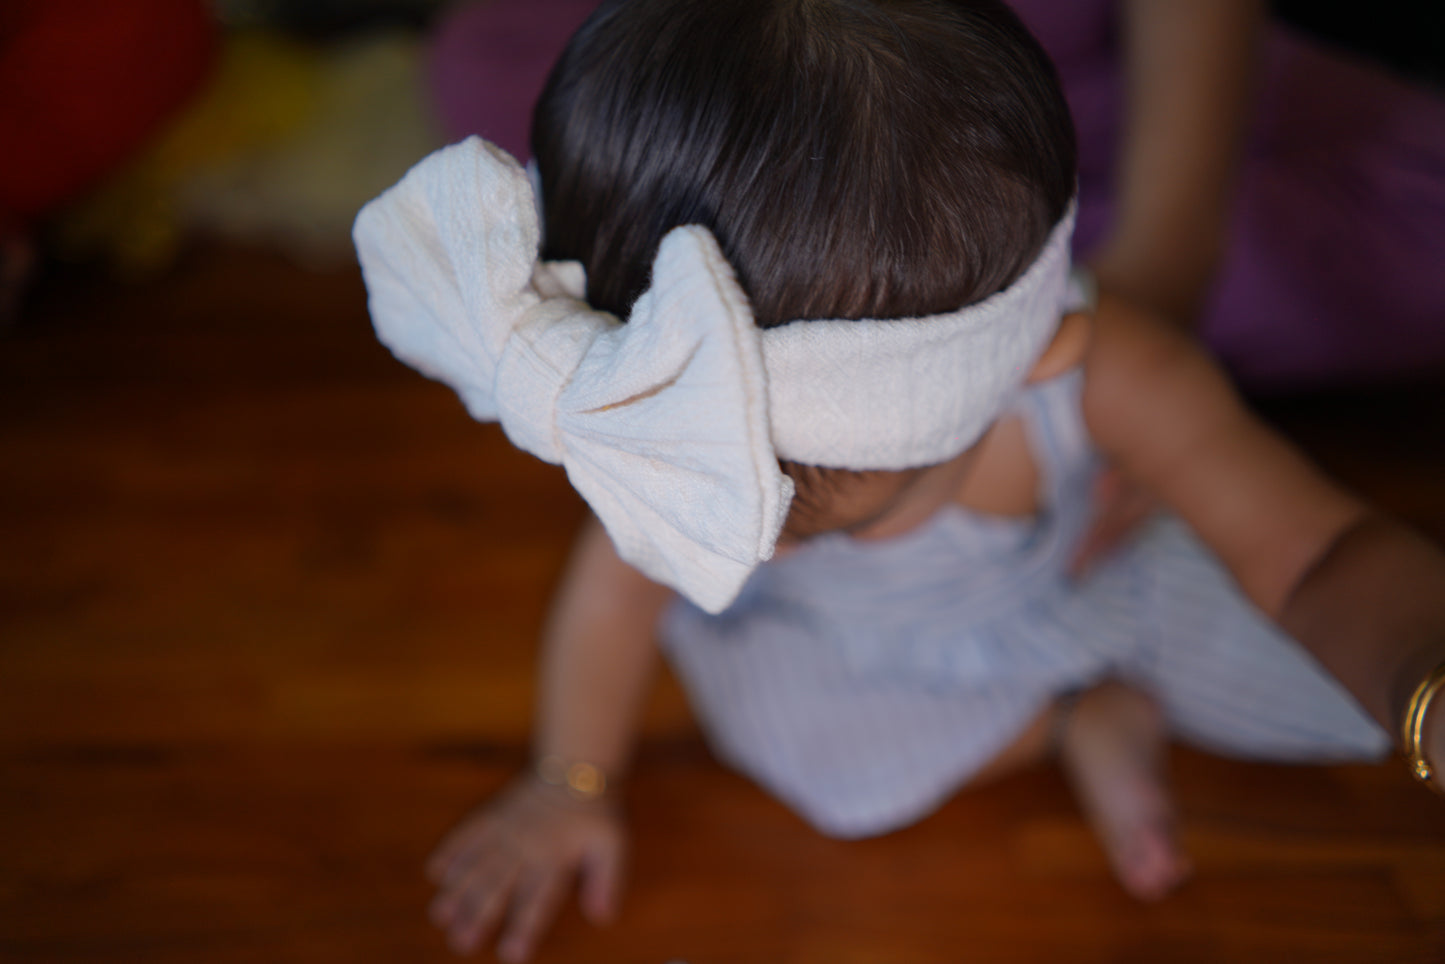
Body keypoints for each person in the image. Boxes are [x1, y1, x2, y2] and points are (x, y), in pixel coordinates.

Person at [353, 1, 1445, 959]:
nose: (757, 539)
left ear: (1035, 353)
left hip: (1093, 573)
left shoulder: (1111, 370)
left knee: (1301, 668)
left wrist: (1419, 681)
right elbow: (611, 594)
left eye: (797, 504)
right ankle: (1075, 720)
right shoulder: (690, 460)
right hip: (845, 646)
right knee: (819, 759)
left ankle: (1098, 696)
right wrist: (567, 782)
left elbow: (1316, 558)